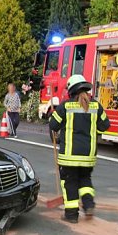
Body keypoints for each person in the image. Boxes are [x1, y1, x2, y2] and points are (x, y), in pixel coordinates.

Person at [48, 74, 110, 223]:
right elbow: (105, 126)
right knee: (85, 180)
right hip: (88, 155)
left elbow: (53, 125)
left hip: (69, 156)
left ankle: (71, 215)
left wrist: (53, 115)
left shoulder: (66, 106)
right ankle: (89, 205)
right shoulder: (95, 106)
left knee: (70, 183)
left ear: (71, 90)